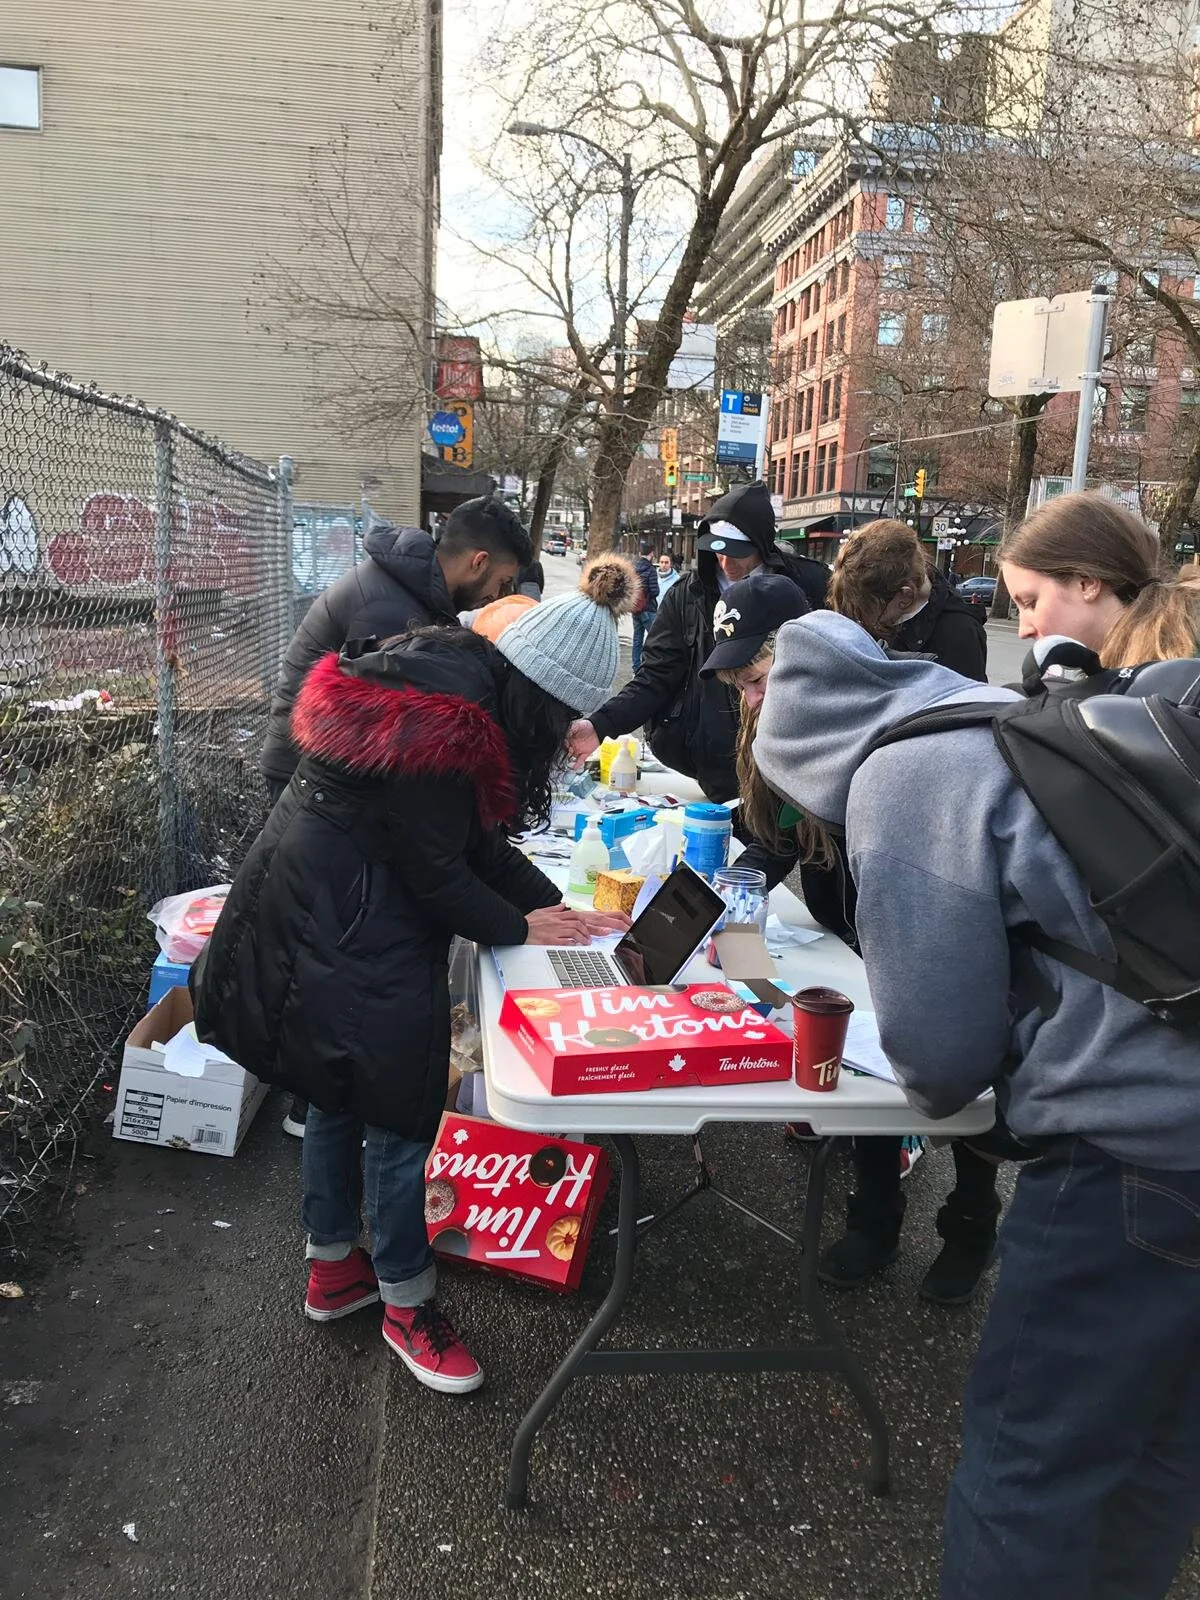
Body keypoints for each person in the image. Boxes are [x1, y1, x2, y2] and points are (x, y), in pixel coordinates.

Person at [753, 609, 1200, 1599]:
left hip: (1129, 1149)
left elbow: (940, 1058)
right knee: (1161, 1449)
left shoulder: (902, 777)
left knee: (1033, 1470)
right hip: (1176, 1105)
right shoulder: (1006, 717)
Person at [191, 557, 639, 1394]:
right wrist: (520, 926)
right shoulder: (448, 726)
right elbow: (438, 874)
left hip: (325, 902)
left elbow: (467, 845)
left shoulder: (453, 680)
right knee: (399, 1113)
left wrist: (552, 908)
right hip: (352, 921)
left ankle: (334, 1269)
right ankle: (405, 1302)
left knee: (333, 1090)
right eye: (562, 721)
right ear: (542, 698)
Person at [260, 495, 532, 1138]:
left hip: (327, 776)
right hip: (315, 781)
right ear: (478, 561)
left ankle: (329, 1098)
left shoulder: (410, 591)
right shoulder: (391, 611)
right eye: (501, 582)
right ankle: (319, 1101)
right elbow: (409, 790)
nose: (498, 596)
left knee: (353, 938)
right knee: (346, 942)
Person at [820, 518, 998, 1303]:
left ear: (906, 591)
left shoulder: (957, 632)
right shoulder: (858, 621)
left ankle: (971, 1225)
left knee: (965, 1059)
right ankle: (874, 1215)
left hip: (944, 860)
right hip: (874, 847)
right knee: (876, 1046)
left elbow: (962, 750)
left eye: (877, 609)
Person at [567, 481, 829, 801]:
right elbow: (655, 676)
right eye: (718, 551)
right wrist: (600, 725)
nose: (726, 564)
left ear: (762, 545)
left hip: (794, 760)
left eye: (737, 553)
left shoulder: (809, 584)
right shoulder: (685, 597)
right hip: (714, 762)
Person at [1000, 489, 1200, 665]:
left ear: (1087, 583)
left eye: (1031, 603)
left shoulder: (1178, 678)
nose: (1023, 630)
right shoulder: (1139, 669)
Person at [829, 517, 987, 679]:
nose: (862, 620)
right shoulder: (886, 611)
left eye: (868, 607)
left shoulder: (960, 634)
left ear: (905, 596)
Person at [631, 541, 660, 671]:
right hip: (648, 609)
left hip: (635, 608)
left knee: (637, 639)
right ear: (651, 553)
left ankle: (636, 667)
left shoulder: (634, 568)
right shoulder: (650, 570)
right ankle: (650, 666)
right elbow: (655, 591)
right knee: (655, 638)